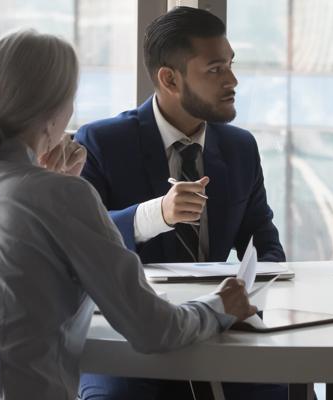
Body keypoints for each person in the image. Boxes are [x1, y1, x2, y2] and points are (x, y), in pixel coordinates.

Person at [0, 29, 256, 400]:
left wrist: (54, 183)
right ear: (54, 112)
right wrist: (222, 305)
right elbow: (153, 330)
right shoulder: (60, 196)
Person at [73, 7, 286, 400]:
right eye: (215, 69)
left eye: (231, 65)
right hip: (131, 336)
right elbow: (81, 242)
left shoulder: (240, 148)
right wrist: (156, 214)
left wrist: (251, 292)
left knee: (278, 388)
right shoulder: (101, 143)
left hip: (222, 324)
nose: (232, 80)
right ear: (169, 79)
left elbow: (266, 243)